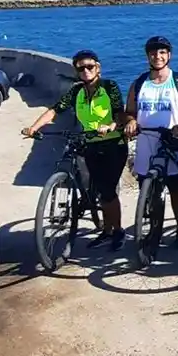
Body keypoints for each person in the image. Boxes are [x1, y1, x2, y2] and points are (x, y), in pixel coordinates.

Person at [21, 50, 129, 250]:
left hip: (113, 144)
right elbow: (55, 110)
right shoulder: (76, 91)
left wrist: (111, 126)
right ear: (76, 71)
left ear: (98, 67)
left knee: (107, 191)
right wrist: (34, 127)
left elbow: (120, 114)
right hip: (90, 143)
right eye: (81, 68)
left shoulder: (109, 87)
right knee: (94, 185)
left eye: (90, 66)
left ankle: (118, 231)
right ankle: (105, 230)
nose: (86, 70)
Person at [123, 36, 178, 247]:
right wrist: (131, 121)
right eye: (153, 52)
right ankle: (155, 228)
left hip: (173, 141)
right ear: (147, 56)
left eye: (162, 52)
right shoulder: (139, 83)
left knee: (177, 187)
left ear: (169, 55)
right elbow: (129, 111)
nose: (157, 56)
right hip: (146, 143)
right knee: (150, 191)